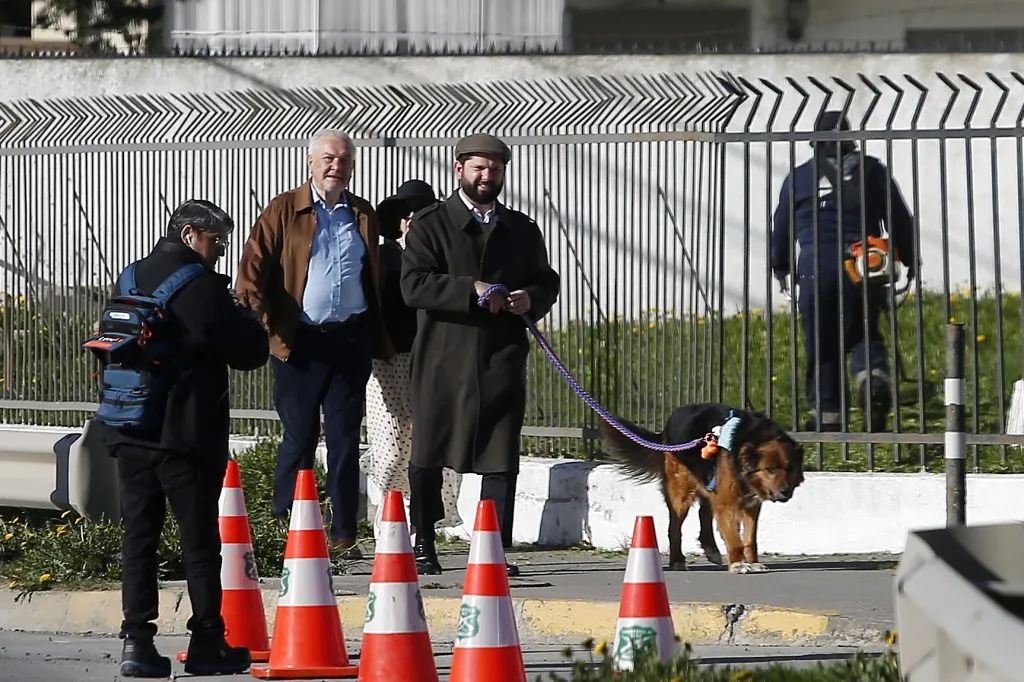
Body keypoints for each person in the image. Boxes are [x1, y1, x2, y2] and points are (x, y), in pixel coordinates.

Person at [98, 199, 270, 678]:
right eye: (216, 240)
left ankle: (137, 643)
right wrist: (251, 317)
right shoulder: (203, 287)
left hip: (129, 428)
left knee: (139, 538)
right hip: (187, 436)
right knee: (198, 542)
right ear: (191, 234)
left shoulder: (130, 277)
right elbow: (248, 354)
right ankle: (207, 643)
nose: (219, 251)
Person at [401, 133, 561, 577]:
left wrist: (530, 298)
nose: (487, 176)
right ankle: (424, 542)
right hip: (442, 358)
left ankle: (492, 549)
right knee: (429, 452)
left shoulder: (522, 229)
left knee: (499, 454)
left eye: (495, 169)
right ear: (459, 170)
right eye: (478, 168)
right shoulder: (430, 224)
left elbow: (547, 281)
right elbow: (413, 285)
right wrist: (468, 289)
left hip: (501, 356)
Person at [234, 129, 394, 560]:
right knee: (299, 436)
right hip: (298, 341)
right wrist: (259, 318)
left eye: (343, 160)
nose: (334, 167)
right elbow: (253, 266)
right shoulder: (285, 209)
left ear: (353, 166)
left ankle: (343, 533)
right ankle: (285, 524)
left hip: (349, 340)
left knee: (344, 439)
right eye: (327, 158)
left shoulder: (362, 214)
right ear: (310, 162)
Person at [770, 110, 917, 433]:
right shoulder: (872, 171)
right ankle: (872, 381)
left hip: (814, 267)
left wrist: (780, 267)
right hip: (862, 263)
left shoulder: (798, 178)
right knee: (864, 330)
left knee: (822, 340)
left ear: (815, 143)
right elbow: (899, 218)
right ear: (849, 140)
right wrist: (910, 258)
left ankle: (828, 417)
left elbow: (782, 228)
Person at [362, 179, 464, 538]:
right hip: (388, 363)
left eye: (420, 213)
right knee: (391, 450)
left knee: (431, 449)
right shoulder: (382, 257)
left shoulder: (443, 260)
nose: (412, 220)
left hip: (435, 364)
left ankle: (424, 524)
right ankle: (385, 514)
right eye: (407, 214)